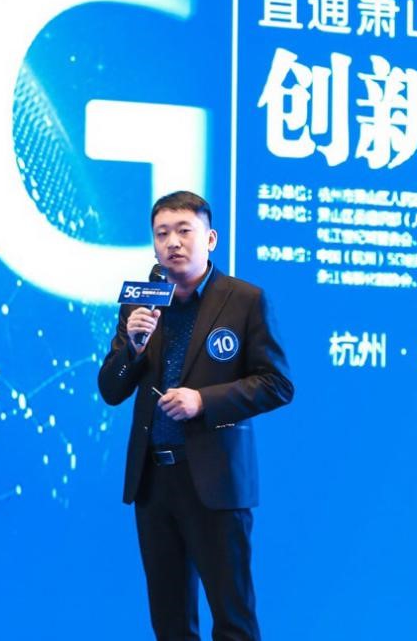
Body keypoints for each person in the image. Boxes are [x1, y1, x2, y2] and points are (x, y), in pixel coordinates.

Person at [98, 191, 294, 641]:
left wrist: (203, 402)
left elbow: (277, 383)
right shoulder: (141, 305)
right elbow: (111, 389)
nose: (173, 242)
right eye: (162, 234)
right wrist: (133, 348)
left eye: (184, 231)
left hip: (214, 480)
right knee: (169, 622)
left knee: (233, 619)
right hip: (154, 481)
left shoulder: (244, 300)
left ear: (210, 239)